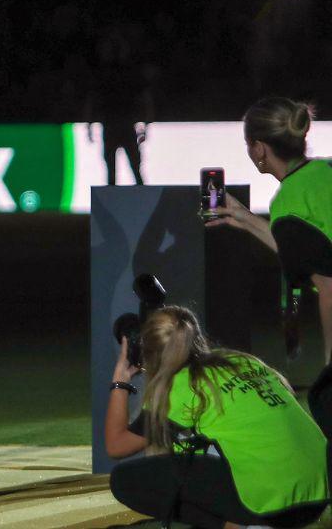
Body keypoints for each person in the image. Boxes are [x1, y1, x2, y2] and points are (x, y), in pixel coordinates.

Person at [106, 306, 328, 528]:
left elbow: (116, 446)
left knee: (125, 481)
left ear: (150, 354)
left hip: (272, 506)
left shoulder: (181, 387)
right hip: (319, 495)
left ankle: (239, 525)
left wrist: (120, 381)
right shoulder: (242, 361)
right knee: (205, 443)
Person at [206, 97, 332, 362]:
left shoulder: (288, 203)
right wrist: (246, 219)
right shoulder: (325, 170)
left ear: (260, 149)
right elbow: (308, 252)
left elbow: (327, 282)